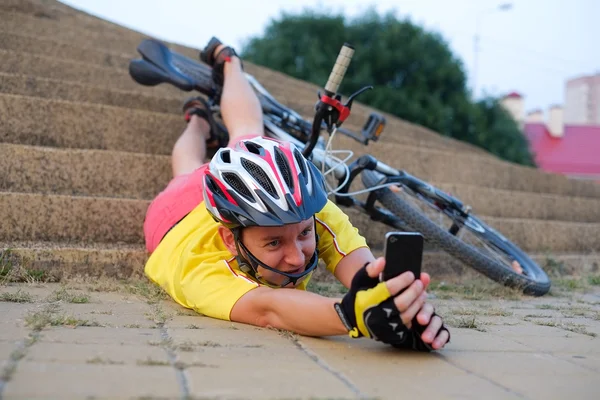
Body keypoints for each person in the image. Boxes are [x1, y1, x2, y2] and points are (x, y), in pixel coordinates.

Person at [143, 37, 450, 351]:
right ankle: (198, 120)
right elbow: (269, 309)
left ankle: (229, 62)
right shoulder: (198, 272)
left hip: (250, 205)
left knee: (249, 136)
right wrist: (353, 316)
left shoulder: (305, 209)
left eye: (304, 234)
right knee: (186, 172)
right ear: (228, 240)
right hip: (174, 220)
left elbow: (363, 273)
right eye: (274, 242)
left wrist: (399, 304)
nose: (297, 256)